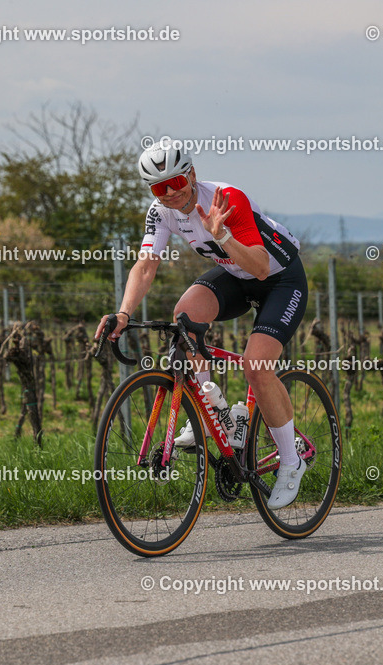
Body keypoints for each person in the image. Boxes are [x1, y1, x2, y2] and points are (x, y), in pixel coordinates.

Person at [95, 142, 308, 509]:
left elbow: (260, 268)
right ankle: (213, 412)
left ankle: (292, 462)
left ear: (191, 174)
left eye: (176, 181)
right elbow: (145, 266)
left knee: (256, 366)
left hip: (280, 280)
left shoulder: (227, 199)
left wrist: (221, 235)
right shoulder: (160, 212)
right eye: (159, 187)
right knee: (185, 317)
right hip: (235, 276)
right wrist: (124, 313)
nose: (170, 192)